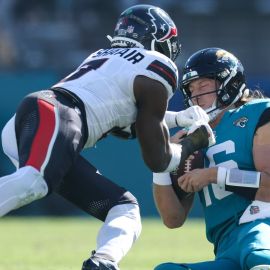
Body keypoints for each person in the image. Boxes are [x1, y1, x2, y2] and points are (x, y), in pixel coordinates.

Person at [0, 5, 214, 270]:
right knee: (34, 182)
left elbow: (127, 122)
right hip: (56, 114)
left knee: (125, 209)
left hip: (43, 118)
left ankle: (103, 262)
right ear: (157, 38)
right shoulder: (157, 66)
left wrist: (179, 119)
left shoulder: (105, 56)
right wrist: (192, 145)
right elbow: (157, 159)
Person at [153, 47, 270, 270]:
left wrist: (213, 175)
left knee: (258, 255)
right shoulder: (190, 137)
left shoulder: (260, 113)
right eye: (191, 89)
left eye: (203, 86)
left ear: (229, 84)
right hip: (227, 248)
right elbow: (173, 219)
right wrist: (162, 162)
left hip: (262, 228)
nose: (195, 96)